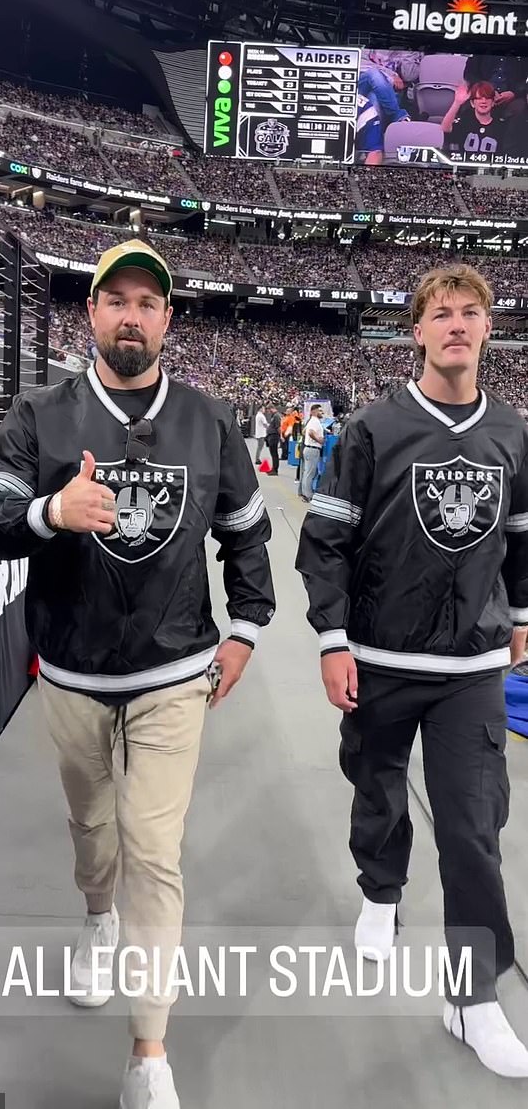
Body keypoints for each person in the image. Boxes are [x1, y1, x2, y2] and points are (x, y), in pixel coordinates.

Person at [0, 238, 276, 1109]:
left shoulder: (210, 420)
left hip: (176, 671)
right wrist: (51, 510)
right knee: (93, 832)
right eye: (116, 299)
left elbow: (248, 531)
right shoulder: (41, 415)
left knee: (154, 847)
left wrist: (246, 627)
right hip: (72, 669)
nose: (131, 315)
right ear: (91, 313)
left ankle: (149, 1050)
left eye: (148, 302)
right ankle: (97, 921)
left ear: (168, 320)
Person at [296, 264, 528, 1078]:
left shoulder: (512, 431)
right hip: (382, 653)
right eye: (442, 314)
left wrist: (522, 617)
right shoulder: (371, 428)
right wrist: (331, 637)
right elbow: (323, 540)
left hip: (471, 664)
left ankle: (472, 997)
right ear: (418, 331)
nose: (457, 325)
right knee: (378, 785)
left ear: (487, 329)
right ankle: (381, 892)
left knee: (473, 827)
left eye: (471, 312)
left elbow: (523, 539)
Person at [442, 82, 506, 161]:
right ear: (472, 103)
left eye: (487, 98)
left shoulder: (502, 126)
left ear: (493, 102)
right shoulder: (465, 122)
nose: (483, 101)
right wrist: (457, 103)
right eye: (479, 98)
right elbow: (445, 128)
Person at [301, 404, 324, 502]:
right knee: (310, 473)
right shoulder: (315, 421)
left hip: (309, 449)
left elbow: (304, 431)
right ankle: (308, 495)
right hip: (313, 449)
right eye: (320, 411)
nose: (322, 413)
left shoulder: (312, 421)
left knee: (307, 472)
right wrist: (319, 439)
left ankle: (305, 493)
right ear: (314, 411)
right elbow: (310, 432)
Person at [265, 403, 282, 475]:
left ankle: (275, 470)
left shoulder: (276, 416)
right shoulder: (273, 416)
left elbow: (278, 427)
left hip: (274, 436)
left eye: (268, 410)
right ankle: (273, 468)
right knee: (272, 453)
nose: (268, 412)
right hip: (271, 436)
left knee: (274, 453)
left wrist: (281, 436)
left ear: (271, 408)